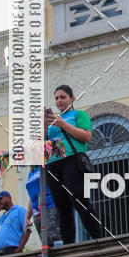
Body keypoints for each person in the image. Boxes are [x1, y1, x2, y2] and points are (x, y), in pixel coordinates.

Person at [44, 85, 103, 244]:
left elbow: (86, 137)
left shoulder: (78, 115)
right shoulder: (51, 122)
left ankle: (98, 237)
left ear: (72, 98)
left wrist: (62, 124)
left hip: (71, 159)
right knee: (62, 207)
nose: (59, 101)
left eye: (63, 97)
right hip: (53, 162)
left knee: (79, 200)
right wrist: (44, 124)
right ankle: (68, 244)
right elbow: (43, 144)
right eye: (56, 98)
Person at [24, 166, 62, 247]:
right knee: (45, 242)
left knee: (54, 237)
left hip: (50, 206)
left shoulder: (45, 167)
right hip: (36, 212)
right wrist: (27, 218)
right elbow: (31, 198)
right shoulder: (31, 173)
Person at [0, 190, 30, 256]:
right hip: (0, 254)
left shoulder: (18, 210)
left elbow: (28, 229)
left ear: (8, 198)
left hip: (12, 250)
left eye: (0, 199)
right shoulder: (1, 217)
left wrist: (20, 248)